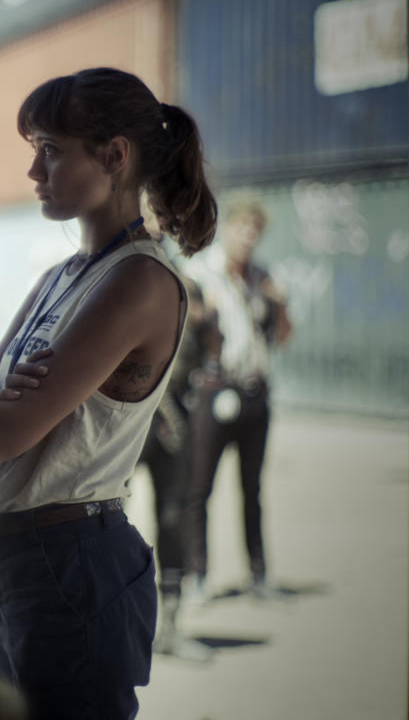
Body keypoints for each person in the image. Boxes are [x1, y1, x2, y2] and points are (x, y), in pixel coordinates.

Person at [0, 67, 217, 718]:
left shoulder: (138, 283)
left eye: (49, 151)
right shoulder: (61, 276)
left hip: (67, 564)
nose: (34, 173)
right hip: (19, 559)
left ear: (113, 156)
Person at [183, 200, 292, 602]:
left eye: (256, 231)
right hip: (213, 391)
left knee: (252, 489)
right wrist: (199, 314)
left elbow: (283, 336)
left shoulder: (265, 277)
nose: (249, 237)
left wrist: (279, 303)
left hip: (255, 393)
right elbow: (182, 330)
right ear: (227, 228)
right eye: (243, 228)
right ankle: (197, 576)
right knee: (199, 489)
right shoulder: (200, 274)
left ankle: (259, 575)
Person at [136, 215, 221, 661]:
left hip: (174, 424)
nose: (153, 223)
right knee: (107, 524)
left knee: (174, 520)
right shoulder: (110, 281)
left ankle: (169, 626)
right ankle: (113, 626)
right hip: (124, 428)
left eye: (159, 216)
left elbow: (214, 352)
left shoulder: (190, 285)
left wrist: (209, 324)